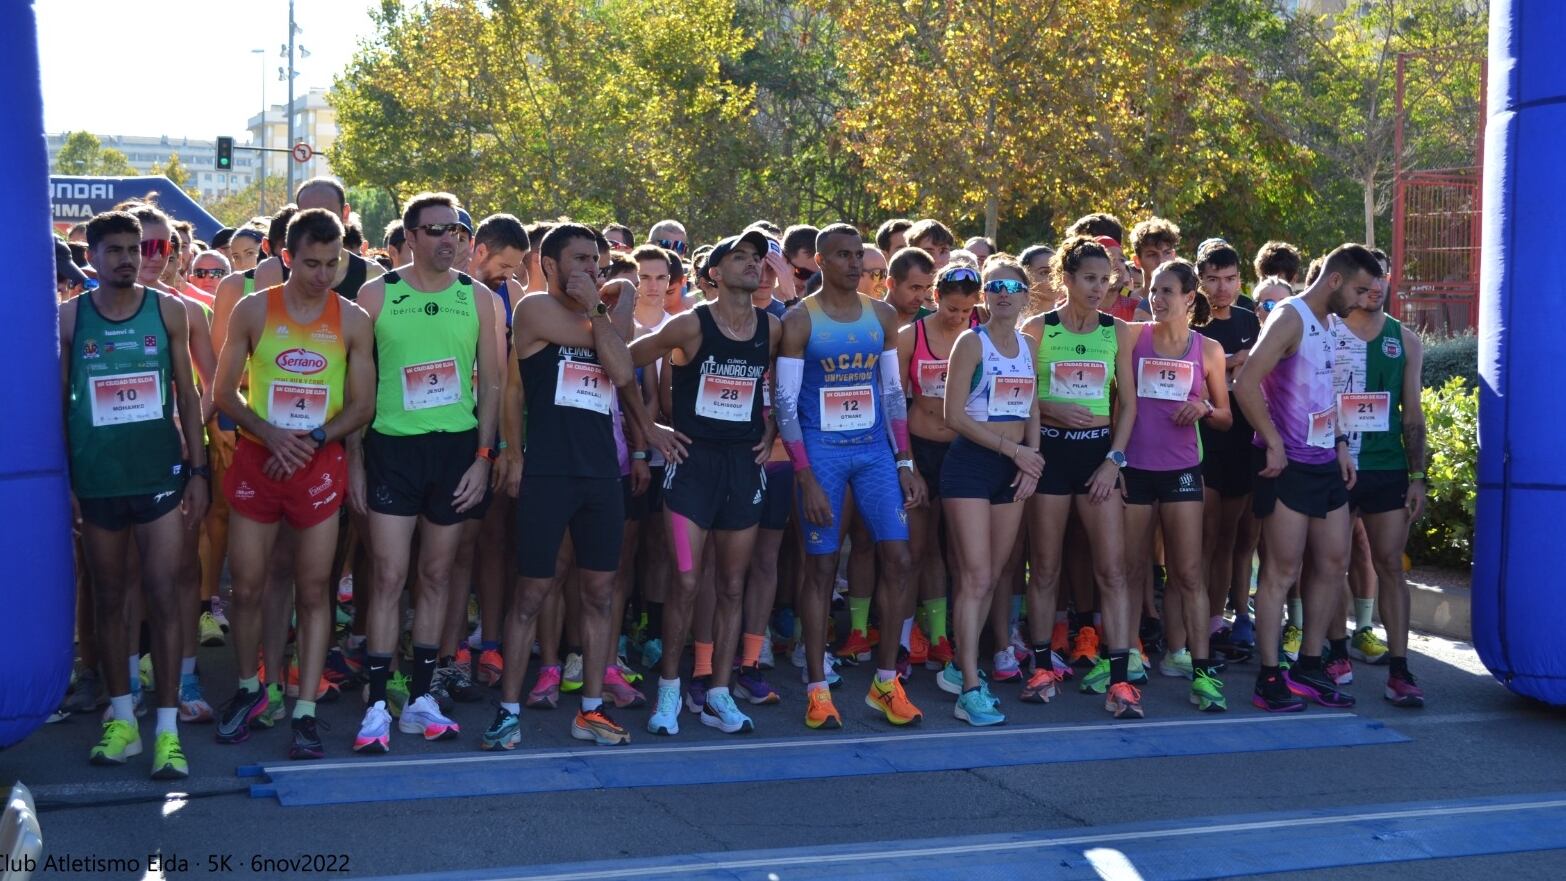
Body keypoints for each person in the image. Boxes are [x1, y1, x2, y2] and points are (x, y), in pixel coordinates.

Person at [488, 223, 681, 750]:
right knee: (532, 591)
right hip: (550, 470)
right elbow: (618, 359)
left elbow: (619, 368)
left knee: (599, 593)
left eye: (595, 260)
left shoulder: (597, 311)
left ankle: (591, 709)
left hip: (603, 471)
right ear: (548, 266)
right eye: (577, 260)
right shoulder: (534, 311)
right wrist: (511, 451)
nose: (589, 269)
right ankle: (507, 711)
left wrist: (603, 304)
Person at [211, 209, 376, 758]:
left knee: (312, 588)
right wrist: (270, 434)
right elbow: (224, 392)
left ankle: (305, 709)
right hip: (261, 460)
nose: (322, 275)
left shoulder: (351, 319)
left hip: (316, 463)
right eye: (310, 263)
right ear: (286, 256)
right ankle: (252, 688)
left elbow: (364, 404)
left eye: (333, 264)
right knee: (251, 585)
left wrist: (312, 437)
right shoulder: (254, 310)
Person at [350, 192, 503, 751]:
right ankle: (373, 706)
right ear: (408, 237)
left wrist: (485, 458)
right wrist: (355, 463)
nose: (447, 239)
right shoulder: (375, 294)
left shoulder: (480, 299)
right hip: (392, 449)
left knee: (438, 578)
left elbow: (492, 383)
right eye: (434, 230)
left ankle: (419, 697)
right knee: (389, 578)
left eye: (456, 231)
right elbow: (356, 389)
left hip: (457, 453)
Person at [62, 210, 210, 779]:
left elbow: (190, 397)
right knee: (109, 596)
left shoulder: (168, 309)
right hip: (98, 480)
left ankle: (167, 731)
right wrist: (65, 485)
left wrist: (199, 472)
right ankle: (122, 719)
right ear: (92, 257)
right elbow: (57, 406)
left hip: (159, 477)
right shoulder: (70, 318)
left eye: (136, 248)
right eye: (116, 250)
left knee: (167, 595)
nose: (128, 258)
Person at [775, 223, 926, 729]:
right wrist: (805, 477)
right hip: (821, 453)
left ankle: (885, 682)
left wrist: (904, 461)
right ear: (820, 260)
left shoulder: (881, 316)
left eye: (857, 255)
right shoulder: (800, 320)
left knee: (899, 558)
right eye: (841, 256)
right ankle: (817, 688)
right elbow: (785, 405)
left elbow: (891, 395)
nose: (853, 264)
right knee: (818, 569)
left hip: (874, 452)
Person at [631, 230, 780, 735]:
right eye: (740, 257)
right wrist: (649, 428)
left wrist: (774, 427)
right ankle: (669, 691)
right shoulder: (689, 324)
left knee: (733, 585)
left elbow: (787, 383)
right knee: (689, 581)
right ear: (713, 273)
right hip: (691, 465)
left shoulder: (772, 327)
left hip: (743, 467)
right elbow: (624, 358)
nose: (752, 265)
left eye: (757, 258)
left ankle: (718, 692)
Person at [1232, 243, 1385, 712]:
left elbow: (1326, 391)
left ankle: (1310, 665)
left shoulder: (1332, 324)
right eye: (1359, 289)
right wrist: (1273, 441)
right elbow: (1245, 382)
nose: (1364, 299)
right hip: (1288, 467)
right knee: (1281, 571)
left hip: (1325, 463)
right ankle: (1268, 677)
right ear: (1335, 281)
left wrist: (1340, 443)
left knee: (1333, 564)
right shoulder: (1290, 317)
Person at [1020, 236, 1140, 718]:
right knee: (1045, 569)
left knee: (1112, 570)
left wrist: (1115, 460)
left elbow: (1128, 403)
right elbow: (1019, 396)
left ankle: (1120, 680)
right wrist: (1051, 407)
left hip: (1097, 460)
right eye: (1088, 278)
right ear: (1066, 280)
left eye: (1104, 279)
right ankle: (1042, 665)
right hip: (1048, 457)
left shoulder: (1117, 331)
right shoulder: (1037, 329)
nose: (1098, 287)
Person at [1120, 260, 1233, 711]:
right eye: (1152, 290)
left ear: (1190, 297)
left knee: (1186, 572)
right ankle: (1128, 653)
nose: (1157, 298)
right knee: (1131, 568)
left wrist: (1203, 407)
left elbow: (1225, 416)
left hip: (1183, 469)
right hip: (1134, 466)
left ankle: (1195, 665)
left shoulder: (1208, 350)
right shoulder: (1132, 337)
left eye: (1167, 291)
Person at [939, 258, 1042, 725]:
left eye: (1013, 287)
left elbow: (1032, 407)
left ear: (1026, 296)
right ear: (985, 295)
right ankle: (970, 684)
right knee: (976, 575)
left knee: (995, 573)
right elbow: (953, 415)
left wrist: (1032, 461)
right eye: (995, 286)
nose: (1003, 294)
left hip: (1015, 468)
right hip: (972, 466)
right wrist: (1011, 450)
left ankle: (958, 666)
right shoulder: (970, 342)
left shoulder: (1027, 344)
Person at [1331, 263, 1427, 707]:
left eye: (1380, 281)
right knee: (1331, 563)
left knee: (1389, 563)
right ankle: (1334, 653)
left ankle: (1400, 668)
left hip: (1387, 467)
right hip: (1333, 462)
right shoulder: (1327, 331)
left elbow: (1412, 415)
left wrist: (1418, 477)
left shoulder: (1405, 340)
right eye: (1364, 283)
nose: (1374, 289)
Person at [897, 261, 976, 682]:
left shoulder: (978, 339)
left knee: (957, 555)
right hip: (922, 449)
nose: (959, 318)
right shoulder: (912, 336)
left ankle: (942, 636)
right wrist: (906, 464)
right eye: (951, 309)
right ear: (937, 298)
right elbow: (896, 404)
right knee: (915, 551)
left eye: (966, 311)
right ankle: (905, 640)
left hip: (963, 453)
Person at [1195, 241, 1265, 659]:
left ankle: (1215, 622)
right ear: (1199, 281)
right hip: (1200, 442)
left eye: (1230, 279)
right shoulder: (1189, 321)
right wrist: (1233, 364)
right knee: (1198, 541)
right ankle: (1188, 625)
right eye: (1213, 280)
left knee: (1228, 539)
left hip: (1242, 441)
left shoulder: (1251, 320)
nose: (1222, 288)